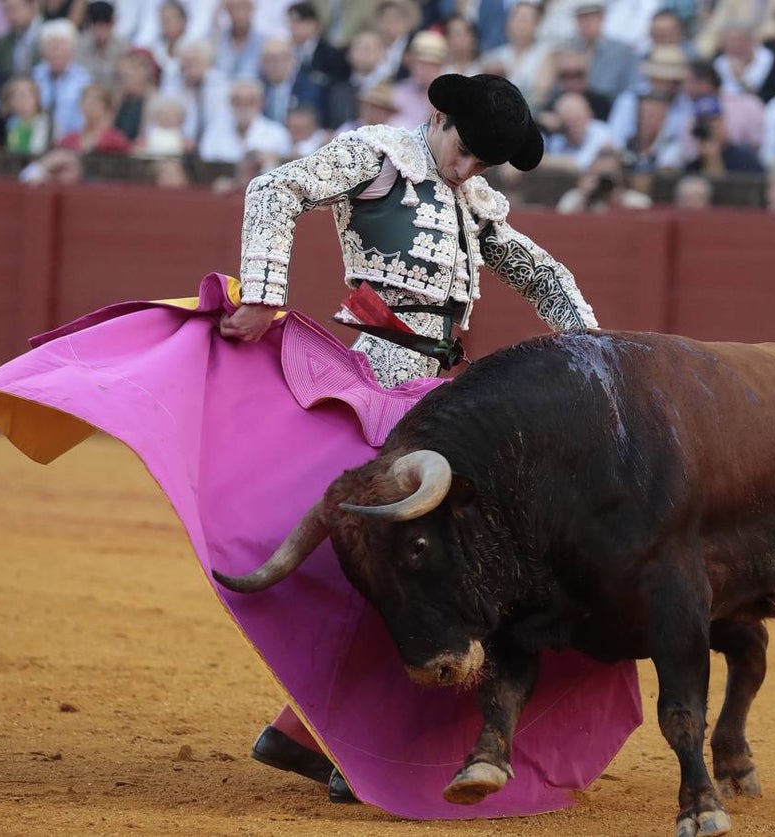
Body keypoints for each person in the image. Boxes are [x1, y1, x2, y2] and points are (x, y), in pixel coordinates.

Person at [223, 74, 603, 800]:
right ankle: (351, 744)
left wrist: (595, 352)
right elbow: (273, 189)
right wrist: (264, 294)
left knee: (425, 564)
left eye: (484, 163)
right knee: (412, 565)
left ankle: (299, 731)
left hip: (437, 390)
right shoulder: (379, 154)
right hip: (374, 378)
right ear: (438, 115)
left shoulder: (477, 199)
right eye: (464, 150)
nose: (467, 169)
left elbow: (541, 272)